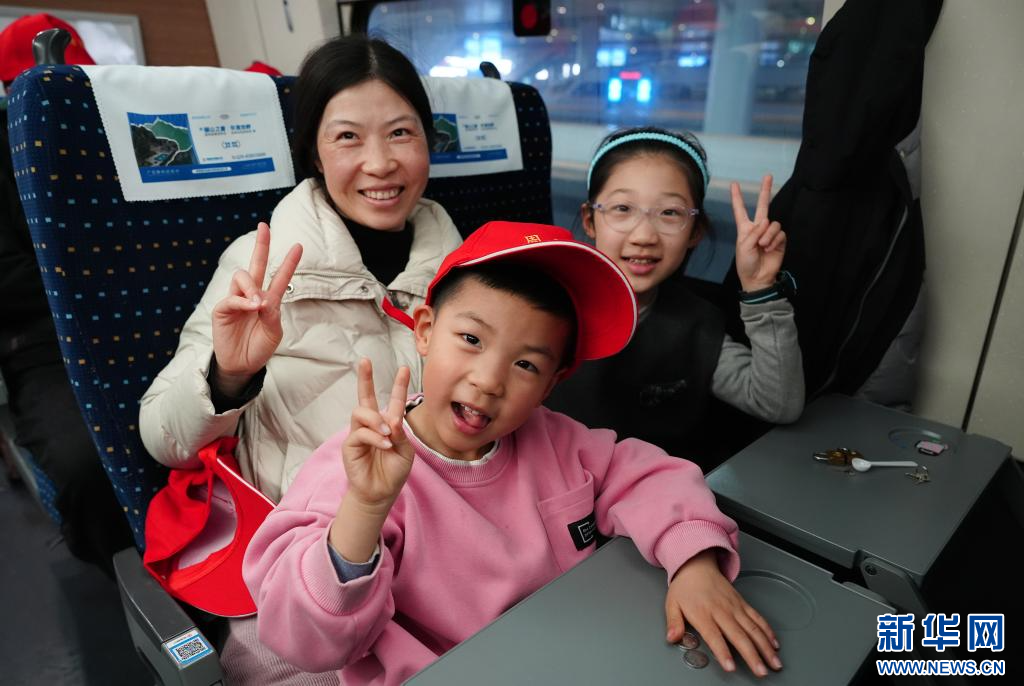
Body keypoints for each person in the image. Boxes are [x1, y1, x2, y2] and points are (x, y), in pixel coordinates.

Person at [243, 221, 784, 685]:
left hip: (578, 652)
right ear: (426, 330)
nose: (489, 380)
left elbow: (650, 476)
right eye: (471, 340)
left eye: (526, 364)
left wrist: (693, 562)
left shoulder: (558, 441)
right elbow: (306, 643)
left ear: (552, 382)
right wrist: (365, 509)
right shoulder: (359, 469)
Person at [138, 35, 462, 685]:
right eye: (347, 138)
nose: (380, 163)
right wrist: (228, 374)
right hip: (314, 578)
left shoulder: (469, 268)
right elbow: (161, 437)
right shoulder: (257, 267)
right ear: (313, 151)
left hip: (456, 556)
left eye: (401, 133)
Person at [545, 127, 804, 469]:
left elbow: (778, 404)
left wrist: (760, 289)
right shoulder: (543, 309)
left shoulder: (697, 326)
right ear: (590, 220)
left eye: (669, 213)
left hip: (655, 494)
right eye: (622, 208)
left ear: (695, 231)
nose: (644, 236)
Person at [0, 13, 133, 576]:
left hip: (141, 315)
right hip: (45, 341)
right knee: (87, 465)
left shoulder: (120, 135)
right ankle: (123, 572)